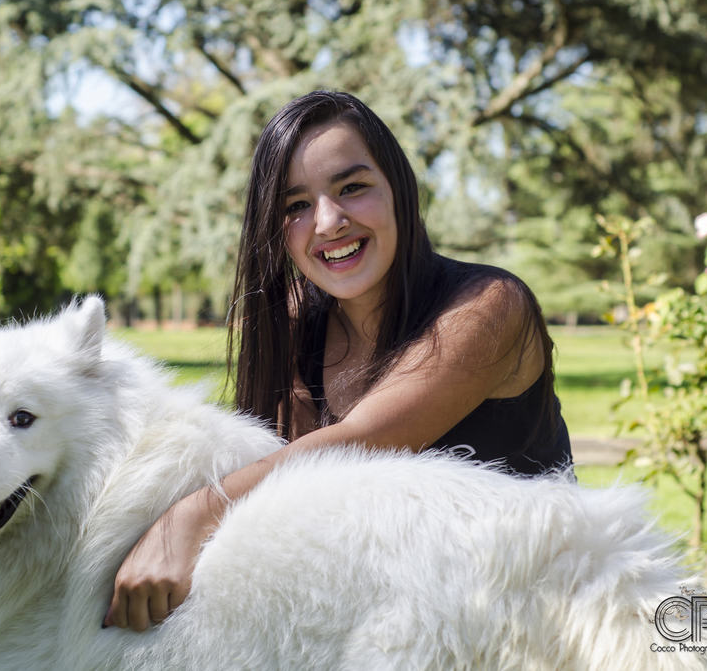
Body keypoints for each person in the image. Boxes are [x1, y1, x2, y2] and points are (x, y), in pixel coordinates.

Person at [102, 90, 572, 632]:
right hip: (391, 617)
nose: (328, 222)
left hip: (529, 611)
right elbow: (285, 482)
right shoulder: (293, 321)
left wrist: (190, 516)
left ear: (398, 189)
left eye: (352, 187)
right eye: (295, 206)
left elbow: (365, 440)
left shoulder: (489, 306)